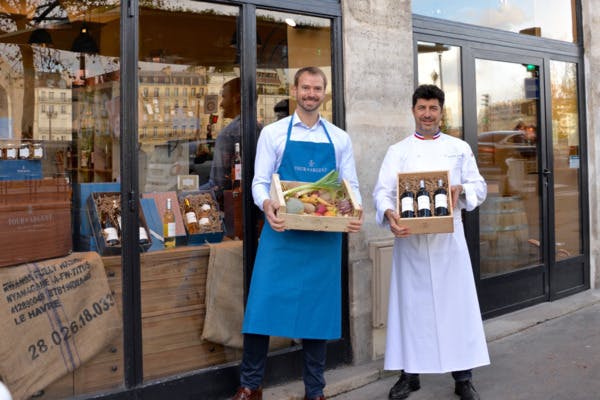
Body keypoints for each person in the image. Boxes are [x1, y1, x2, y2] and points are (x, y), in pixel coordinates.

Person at [231, 66, 363, 400]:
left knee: (316, 315)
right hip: (282, 233)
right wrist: (268, 206)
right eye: (306, 88)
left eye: (317, 89)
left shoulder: (339, 138)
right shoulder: (273, 134)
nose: (311, 94)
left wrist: (353, 208)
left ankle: (315, 391)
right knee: (261, 309)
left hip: (323, 238)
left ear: (324, 93)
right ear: (295, 90)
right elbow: (259, 182)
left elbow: (350, 187)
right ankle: (250, 386)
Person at [373, 84, 489, 400]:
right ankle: (409, 376)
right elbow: (382, 192)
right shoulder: (397, 151)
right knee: (410, 310)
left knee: (457, 309)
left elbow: (479, 186)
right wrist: (388, 213)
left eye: (433, 108)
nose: (427, 114)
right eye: (422, 108)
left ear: (441, 111)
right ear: (413, 111)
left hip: (448, 245)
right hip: (410, 245)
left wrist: (460, 190)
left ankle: (463, 378)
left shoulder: (459, 147)